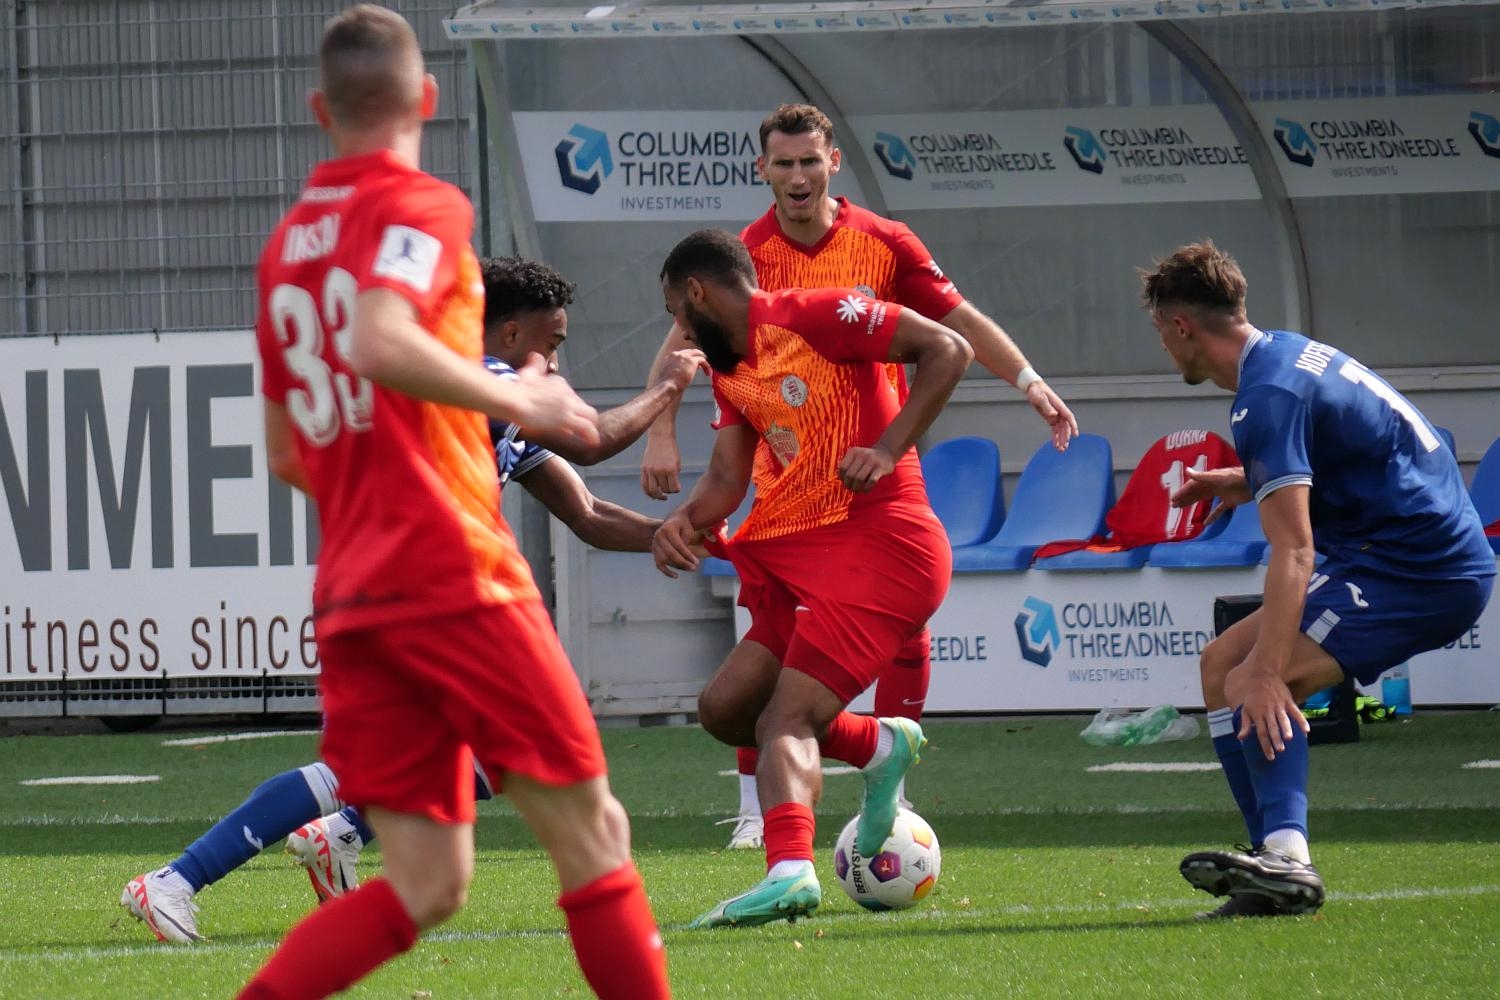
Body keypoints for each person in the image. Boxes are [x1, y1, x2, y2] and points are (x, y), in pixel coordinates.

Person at [229, 10, 668, 997]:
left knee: (428, 879)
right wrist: (522, 395)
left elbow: (286, 451)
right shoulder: (421, 204)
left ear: (318, 110)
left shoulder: (287, 250)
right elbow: (383, 339)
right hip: (452, 573)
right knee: (594, 834)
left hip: (354, 597)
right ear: (425, 99)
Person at [121, 255, 705, 929]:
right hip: (418, 594)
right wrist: (669, 387)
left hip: (397, 592)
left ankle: (288, 849)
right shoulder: (485, 380)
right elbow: (596, 439)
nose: (555, 357)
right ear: (510, 336)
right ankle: (189, 875)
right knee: (522, 741)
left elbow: (589, 515)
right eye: (552, 342)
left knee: (438, 758)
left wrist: (671, 534)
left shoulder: (492, 406)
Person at [638, 103, 1079, 849]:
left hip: (869, 472)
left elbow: (956, 323)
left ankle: (882, 788)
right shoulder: (740, 259)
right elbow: (686, 342)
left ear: (832, 163)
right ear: (764, 172)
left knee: (894, 634)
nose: (799, 176)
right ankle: (764, 806)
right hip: (784, 485)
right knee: (763, 658)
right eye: (784, 164)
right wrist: (659, 432)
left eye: (810, 161)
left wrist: (1029, 379)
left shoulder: (881, 245)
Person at [1143, 241, 1494, 919]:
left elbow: (1296, 552)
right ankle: (1265, 867)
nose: (1165, 347)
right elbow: (1347, 456)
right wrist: (1244, 482)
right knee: (1221, 665)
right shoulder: (1284, 353)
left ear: (1182, 327)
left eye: (1162, 333)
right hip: (1400, 555)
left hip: (1422, 571)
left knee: (1252, 679)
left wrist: (1271, 670)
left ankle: (1288, 860)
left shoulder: (1263, 397)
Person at [652, 228, 972, 928]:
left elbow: (950, 348)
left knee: (784, 719)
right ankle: (877, 745)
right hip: (801, 552)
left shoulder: (818, 314)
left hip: (883, 549)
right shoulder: (732, 368)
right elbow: (728, 477)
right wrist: (683, 521)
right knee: (726, 711)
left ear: (698, 294)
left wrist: (889, 449)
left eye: (677, 311)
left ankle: (790, 870)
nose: (678, 329)